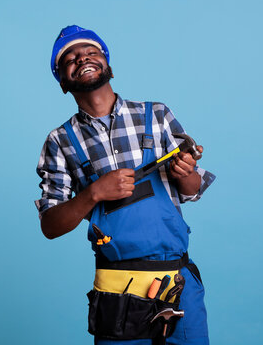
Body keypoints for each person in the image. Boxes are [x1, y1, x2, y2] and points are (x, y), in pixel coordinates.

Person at [35, 25, 216, 345]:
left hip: (178, 285)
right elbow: (50, 225)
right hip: (118, 296)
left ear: (108, 63)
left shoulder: (156, 115)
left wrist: (184, 171)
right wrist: (93, 193)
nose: (83, 58)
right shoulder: (60, 141)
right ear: (62, 80)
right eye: (71, 58)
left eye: (91, 52)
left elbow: (193, 188)